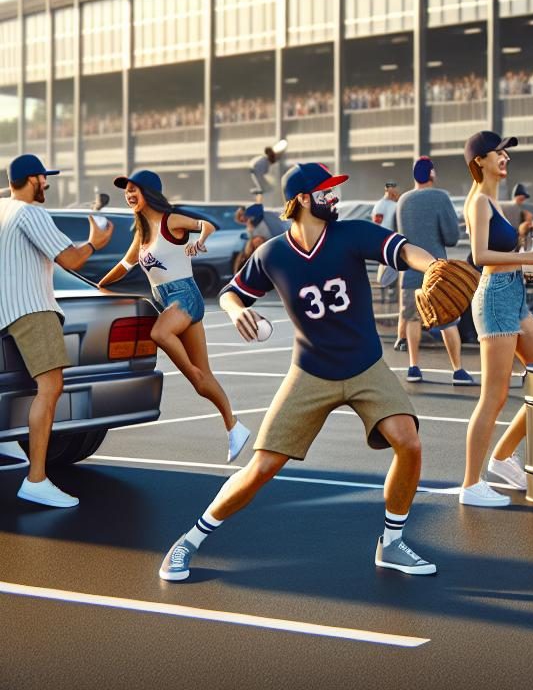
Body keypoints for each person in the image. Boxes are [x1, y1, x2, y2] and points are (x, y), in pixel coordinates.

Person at [159, 161, 440, 581]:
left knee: (409, 442)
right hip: (310, 372)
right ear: (305, 199)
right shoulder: (272, 253)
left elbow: (403, 251)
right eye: (328, 191)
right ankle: (189, 541)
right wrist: (236, 312)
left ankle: (392, 542)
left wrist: (432, 265)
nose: (335, 197)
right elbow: (230, 294)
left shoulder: (351, 234)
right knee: (261, 469)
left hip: (366, 365)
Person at [99, 169, 251, 463]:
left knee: (159, 333)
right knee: (203, 380)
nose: (129, 195)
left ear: (149, 192)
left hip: (185, 296)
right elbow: (125, 265)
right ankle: (234, 427)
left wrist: (199, 239)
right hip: (166, 300)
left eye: (134, 189)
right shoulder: (142, 233)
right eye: (126, 191)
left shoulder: (171, 221)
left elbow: (206, 225)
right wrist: (98, 285)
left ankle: (191, 372)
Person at [1, 154, 114, 507]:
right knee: (50, 387)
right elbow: (72, 260)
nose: (47, 183)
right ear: (32, 179)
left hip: (8, 311)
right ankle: (36, 479)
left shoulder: (3, 210)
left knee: (26, 388)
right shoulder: (30, 213)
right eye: (43, 178)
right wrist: (96, 241)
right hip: (33, 310)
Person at [459, 131, 533, 507]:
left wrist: (532, 261)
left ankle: (502, 457)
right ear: (479, 161)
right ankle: (471, 484)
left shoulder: (495, 201)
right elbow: (480, 255)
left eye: (506, 153)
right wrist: (530, 259)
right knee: (494, 397)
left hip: (513, 295)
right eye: (498, 153)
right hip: (496, 297)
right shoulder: (480, 202)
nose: (505, 158)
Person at [396, 156, 473, 385]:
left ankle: (413, 366)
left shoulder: (403, 200)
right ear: (431, 174)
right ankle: (458, 370)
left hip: (409, 269)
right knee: (447, 319)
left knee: (411, 318)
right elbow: (451, 237)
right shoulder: (441, 197)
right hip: (436, 271)